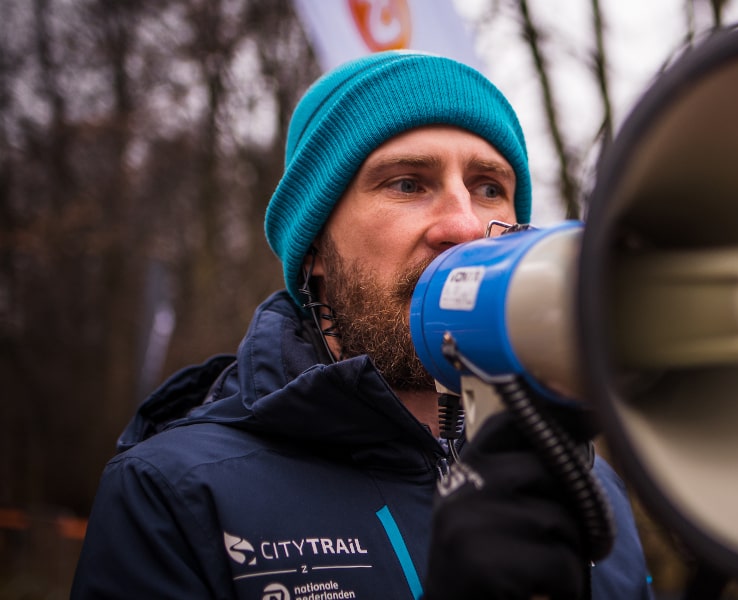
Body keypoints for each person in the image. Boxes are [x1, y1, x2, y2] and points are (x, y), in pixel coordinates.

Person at [70, 51, 653, 599]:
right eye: (408, 183)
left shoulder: (588, 487)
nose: (465, 226)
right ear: (317, 249)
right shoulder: (173, 494)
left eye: (489, 188)